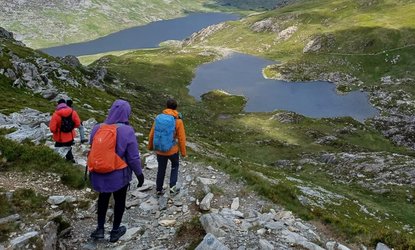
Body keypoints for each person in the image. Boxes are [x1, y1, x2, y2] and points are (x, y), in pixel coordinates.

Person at [89, 99, 144, 243]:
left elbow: (92, 147)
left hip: (99, 173)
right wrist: (139, 174)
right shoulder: (127, 130)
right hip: (119, 175)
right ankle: (115, 231)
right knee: (119, 200)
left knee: (103, 198)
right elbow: (132, 158)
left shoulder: (97, 128)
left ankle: (100, 229)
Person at [148, 99, 187, 196]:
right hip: (172, 150)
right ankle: (172, 188)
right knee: (175, 166)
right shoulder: (178, 121)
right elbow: (182, 139)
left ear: (166, 106)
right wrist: (183, 153)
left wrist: (150, 147)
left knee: (161, 169)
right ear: (176, 108)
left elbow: (152, 134)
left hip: (160, 150)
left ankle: (158, 189)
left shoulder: (159, 118)